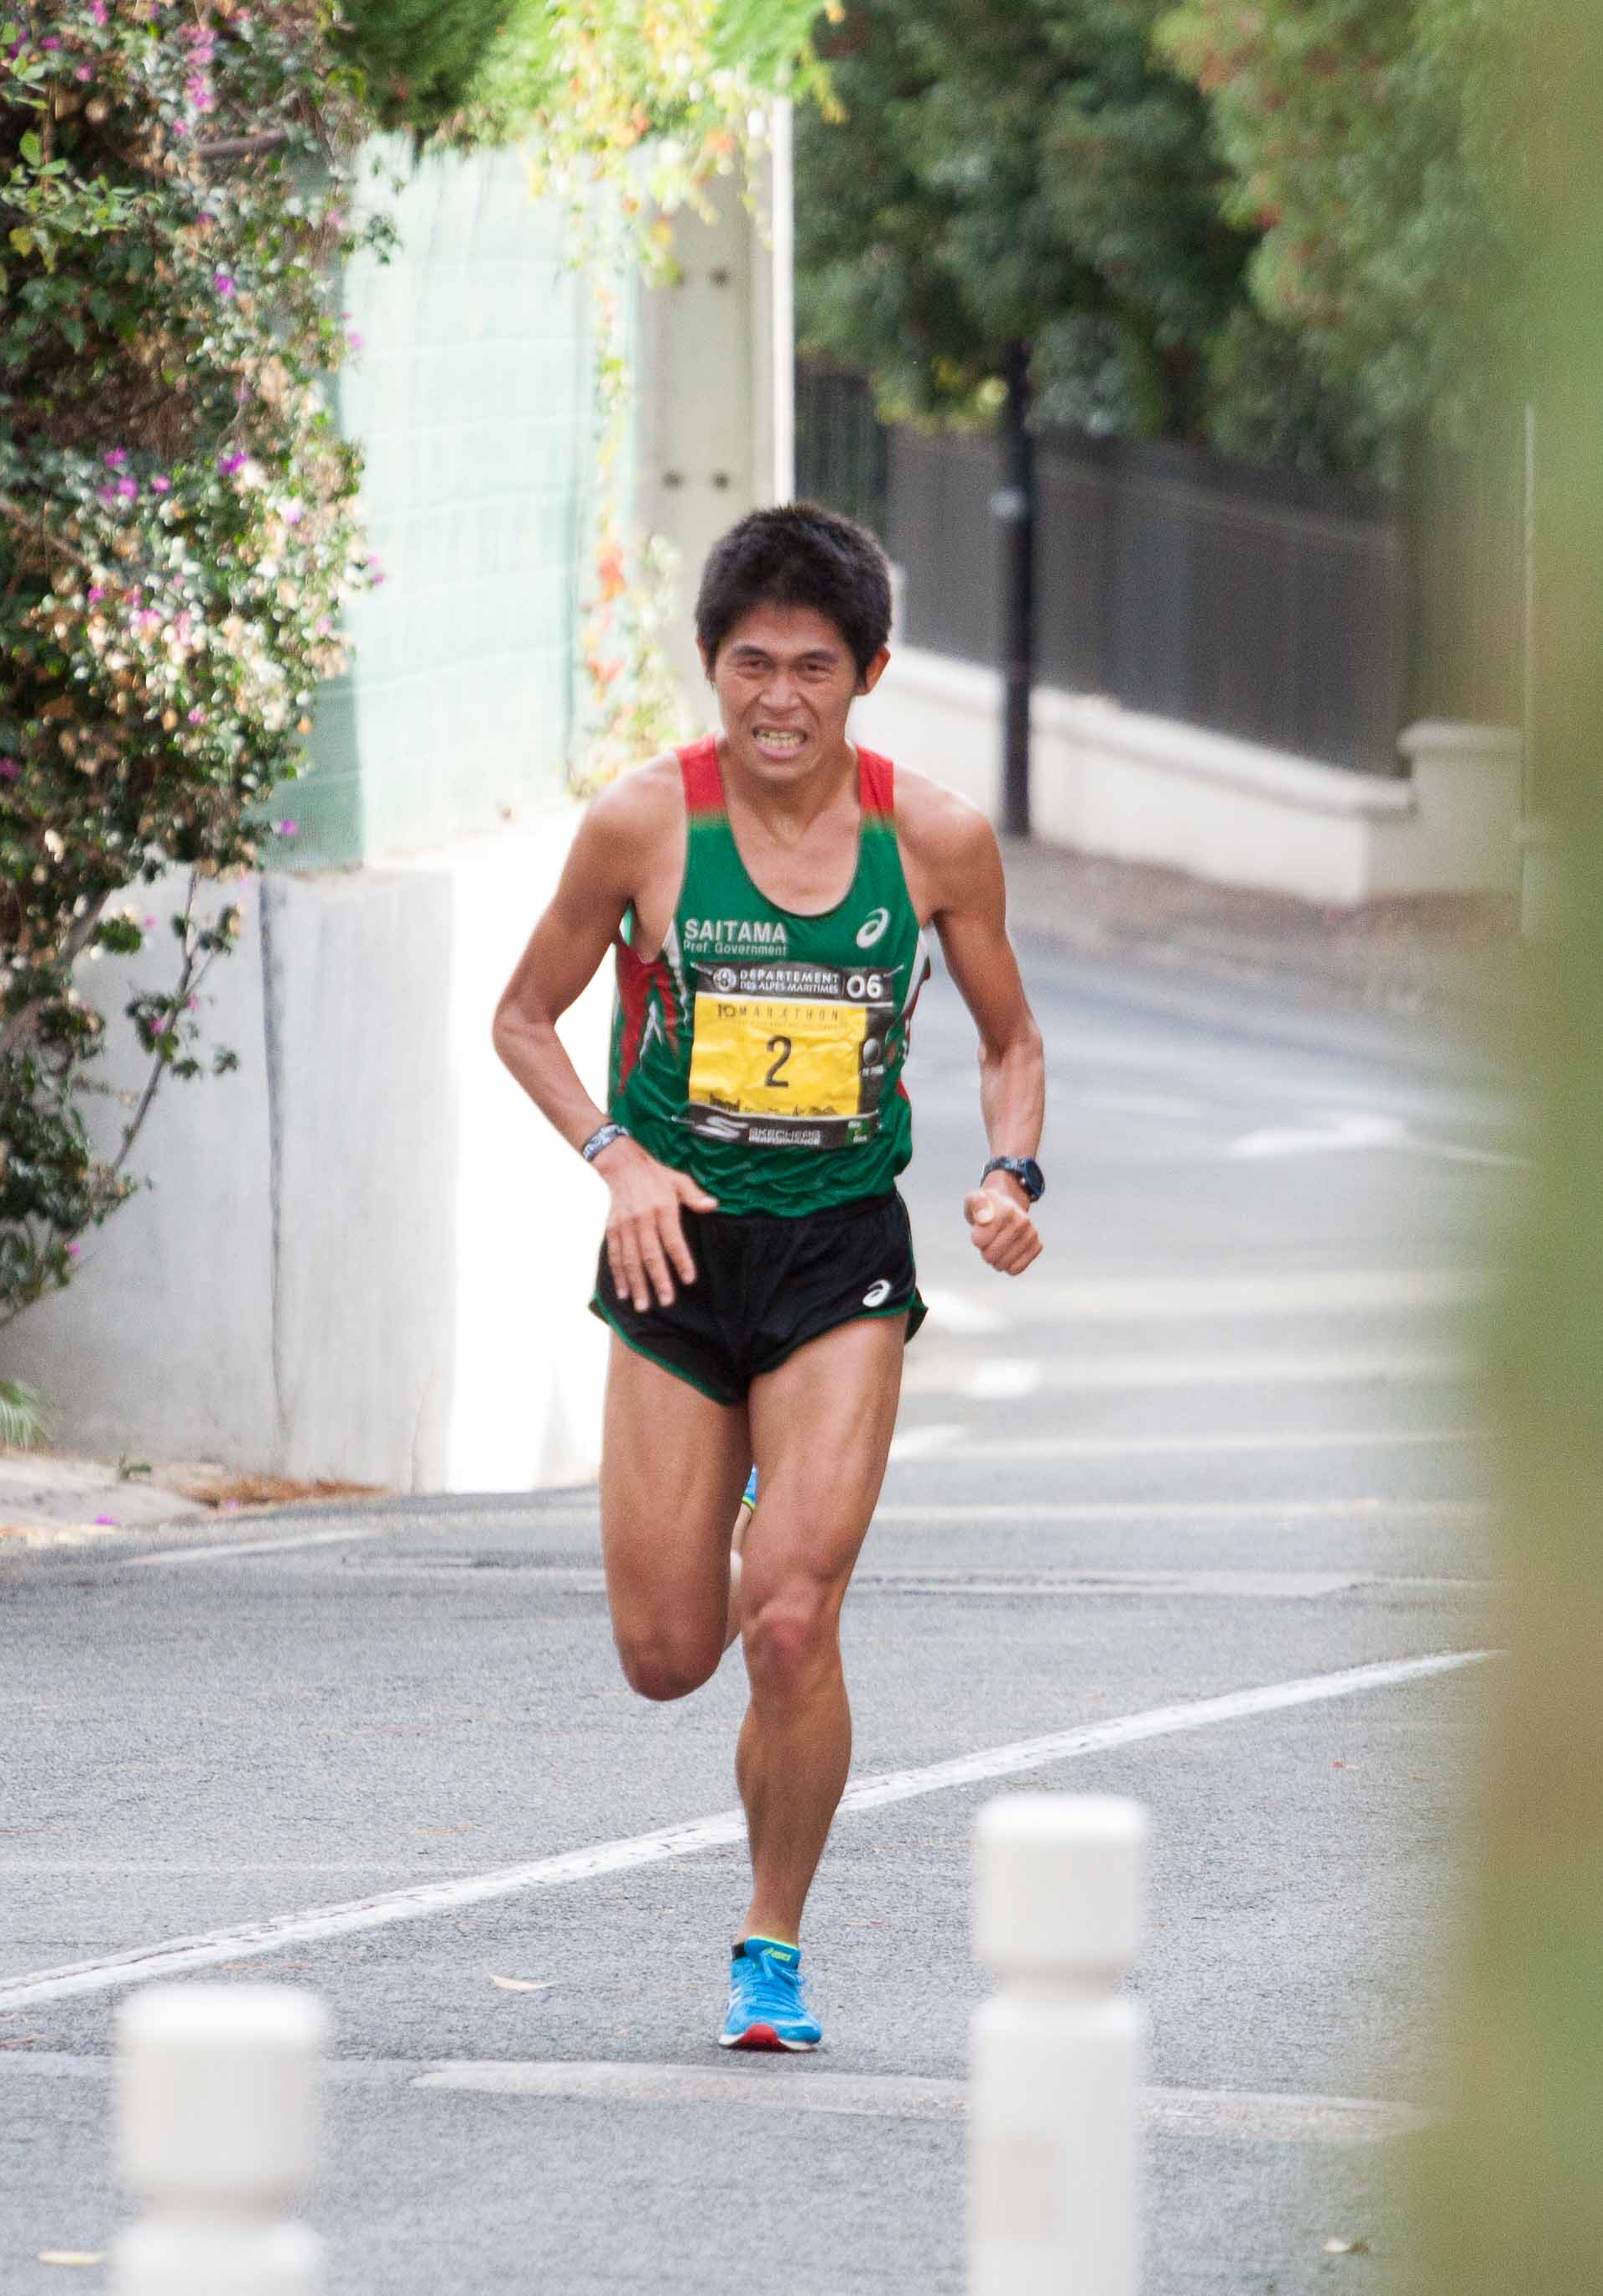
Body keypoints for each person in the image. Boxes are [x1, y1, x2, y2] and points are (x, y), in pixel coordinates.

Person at [488, 503, 1049, 2052]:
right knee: (674, 1656)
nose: (778, 701)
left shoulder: (929, 840)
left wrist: (1012, 1172)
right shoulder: (640, 828)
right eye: (750, 666)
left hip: (839, 1256)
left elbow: (1013, 1040)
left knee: (790, 1621)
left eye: (813, 667)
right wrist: (617, 1157)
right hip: (677, 1247)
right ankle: (749, 1513)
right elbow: (524, 1017)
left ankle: (771, 1943)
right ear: (710, 665)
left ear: (869, 672)